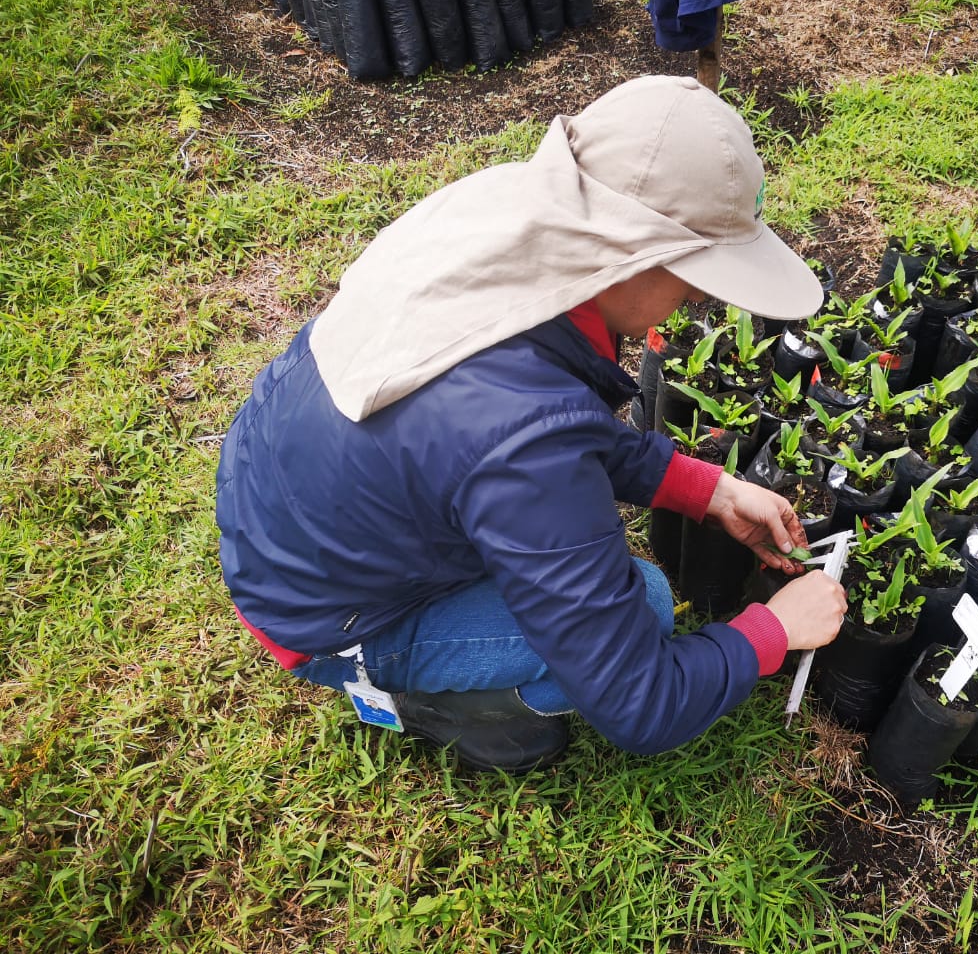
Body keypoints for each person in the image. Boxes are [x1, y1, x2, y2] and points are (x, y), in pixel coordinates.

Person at [215, 75, 847, 773]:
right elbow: (642, 703)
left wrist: (706, 490)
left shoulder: (501, 221)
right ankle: (401, 694)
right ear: (635, 251)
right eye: (693, 273)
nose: (698, 295)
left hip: (286, 519)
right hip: (326, 616)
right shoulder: (523, 434)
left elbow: (534, 418)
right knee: (647, 605)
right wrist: (773, 629)